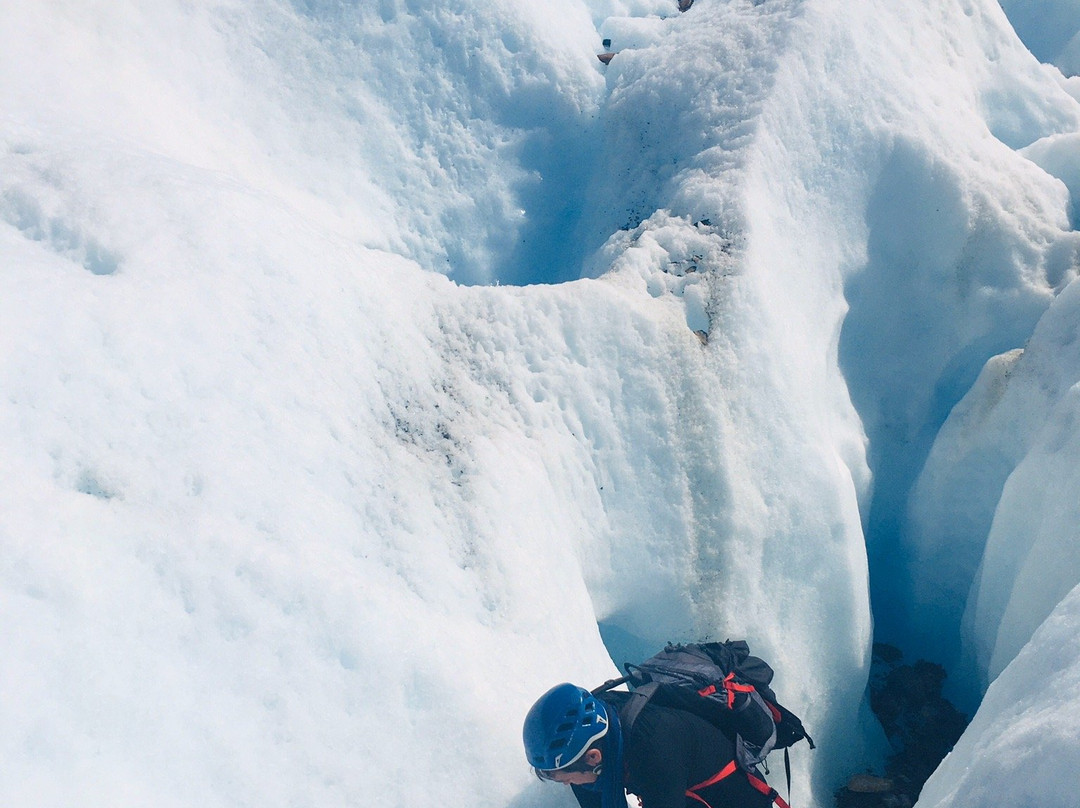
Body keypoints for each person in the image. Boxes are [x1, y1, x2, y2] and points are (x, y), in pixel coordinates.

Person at [523, 683, 782, 808]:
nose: (567, 784)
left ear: (593, 757)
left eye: (565, 778)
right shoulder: (602, 732)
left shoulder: (654, 751)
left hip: (734, 798)